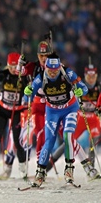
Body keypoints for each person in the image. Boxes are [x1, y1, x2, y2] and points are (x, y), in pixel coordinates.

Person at [22, 53, 89, 187]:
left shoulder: (67, 73)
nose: (53, 74)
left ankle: (69, 170)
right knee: (49, 140)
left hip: (69, 109)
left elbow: (84, 87)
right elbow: (26, 98)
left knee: (68, 135)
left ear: (60, 67)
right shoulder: (40, 77)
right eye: (50, 70)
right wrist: (27, 92)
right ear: (45, 67)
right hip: (52, 111)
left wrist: (81, 92)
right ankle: (40, 173)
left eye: (55, 70)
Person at [20, 41, 52, 166]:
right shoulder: (33, 67)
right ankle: (40, 165)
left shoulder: (56, 67)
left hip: (52, 105)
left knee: (62, 134)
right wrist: (20, 64)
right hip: (38, 104)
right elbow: (20, 72)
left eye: (46, 56)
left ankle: (77, 165)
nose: (44, 59)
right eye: (41, 56)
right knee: (40, 134)